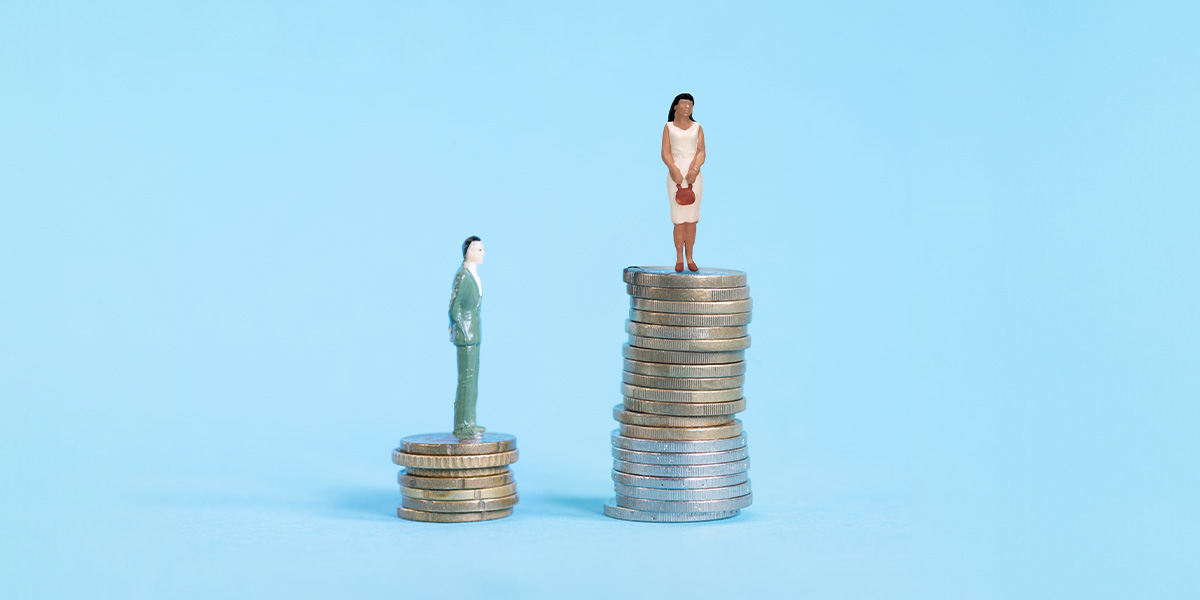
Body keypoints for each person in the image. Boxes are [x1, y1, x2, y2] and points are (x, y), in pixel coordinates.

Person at [661, 93, 706, 272]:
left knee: (692, 219)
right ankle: (679, 256)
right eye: (684, 104)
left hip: (694, 175)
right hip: (676, 175)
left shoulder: (698, 127)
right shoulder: (668, 127)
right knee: (679, 219)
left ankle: (690, 256)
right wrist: (674, 170)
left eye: (691, 104)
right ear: (675, 107)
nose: (688, 107)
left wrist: (694, 170)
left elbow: (701, 151)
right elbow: (665, 152)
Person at [448, 236, 486, 438]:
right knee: (466, 380)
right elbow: (453, 308)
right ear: (468, 251)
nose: (483, 253)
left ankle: (470, 421)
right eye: (479, 250)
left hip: (475, 333)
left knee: (473, 381)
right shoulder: (463, 276)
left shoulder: (473, 274)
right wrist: (459, 329)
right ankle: (461, 425)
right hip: (466, 335)